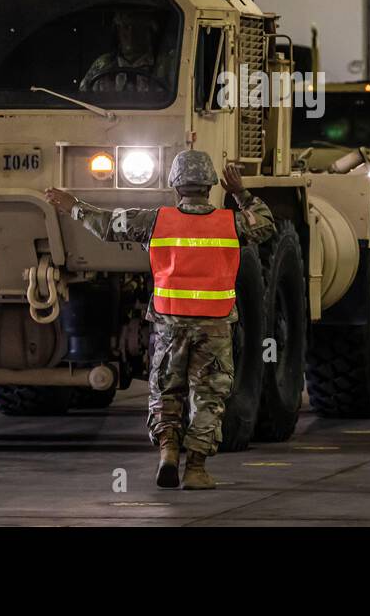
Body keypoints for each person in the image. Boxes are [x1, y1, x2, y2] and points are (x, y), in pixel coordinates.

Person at [44, 151, 274, 490]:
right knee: (208, 395)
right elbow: (265, 223)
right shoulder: (230, 223)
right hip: (214, 326)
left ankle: (167, 451)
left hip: (169, 325)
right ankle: (196, 469)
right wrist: (241, 192)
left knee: (167, 390)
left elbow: (107, 225)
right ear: (211, 185)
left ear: (176, 186)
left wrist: (72, 204)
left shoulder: (155, 220)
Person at [80, 9, 171, 93]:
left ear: (149, 31)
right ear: (118, 31)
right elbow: (82, 99)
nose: (131, 34)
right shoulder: (103, 64)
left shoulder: (167, 65)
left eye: (138, 26)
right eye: (125, 27)